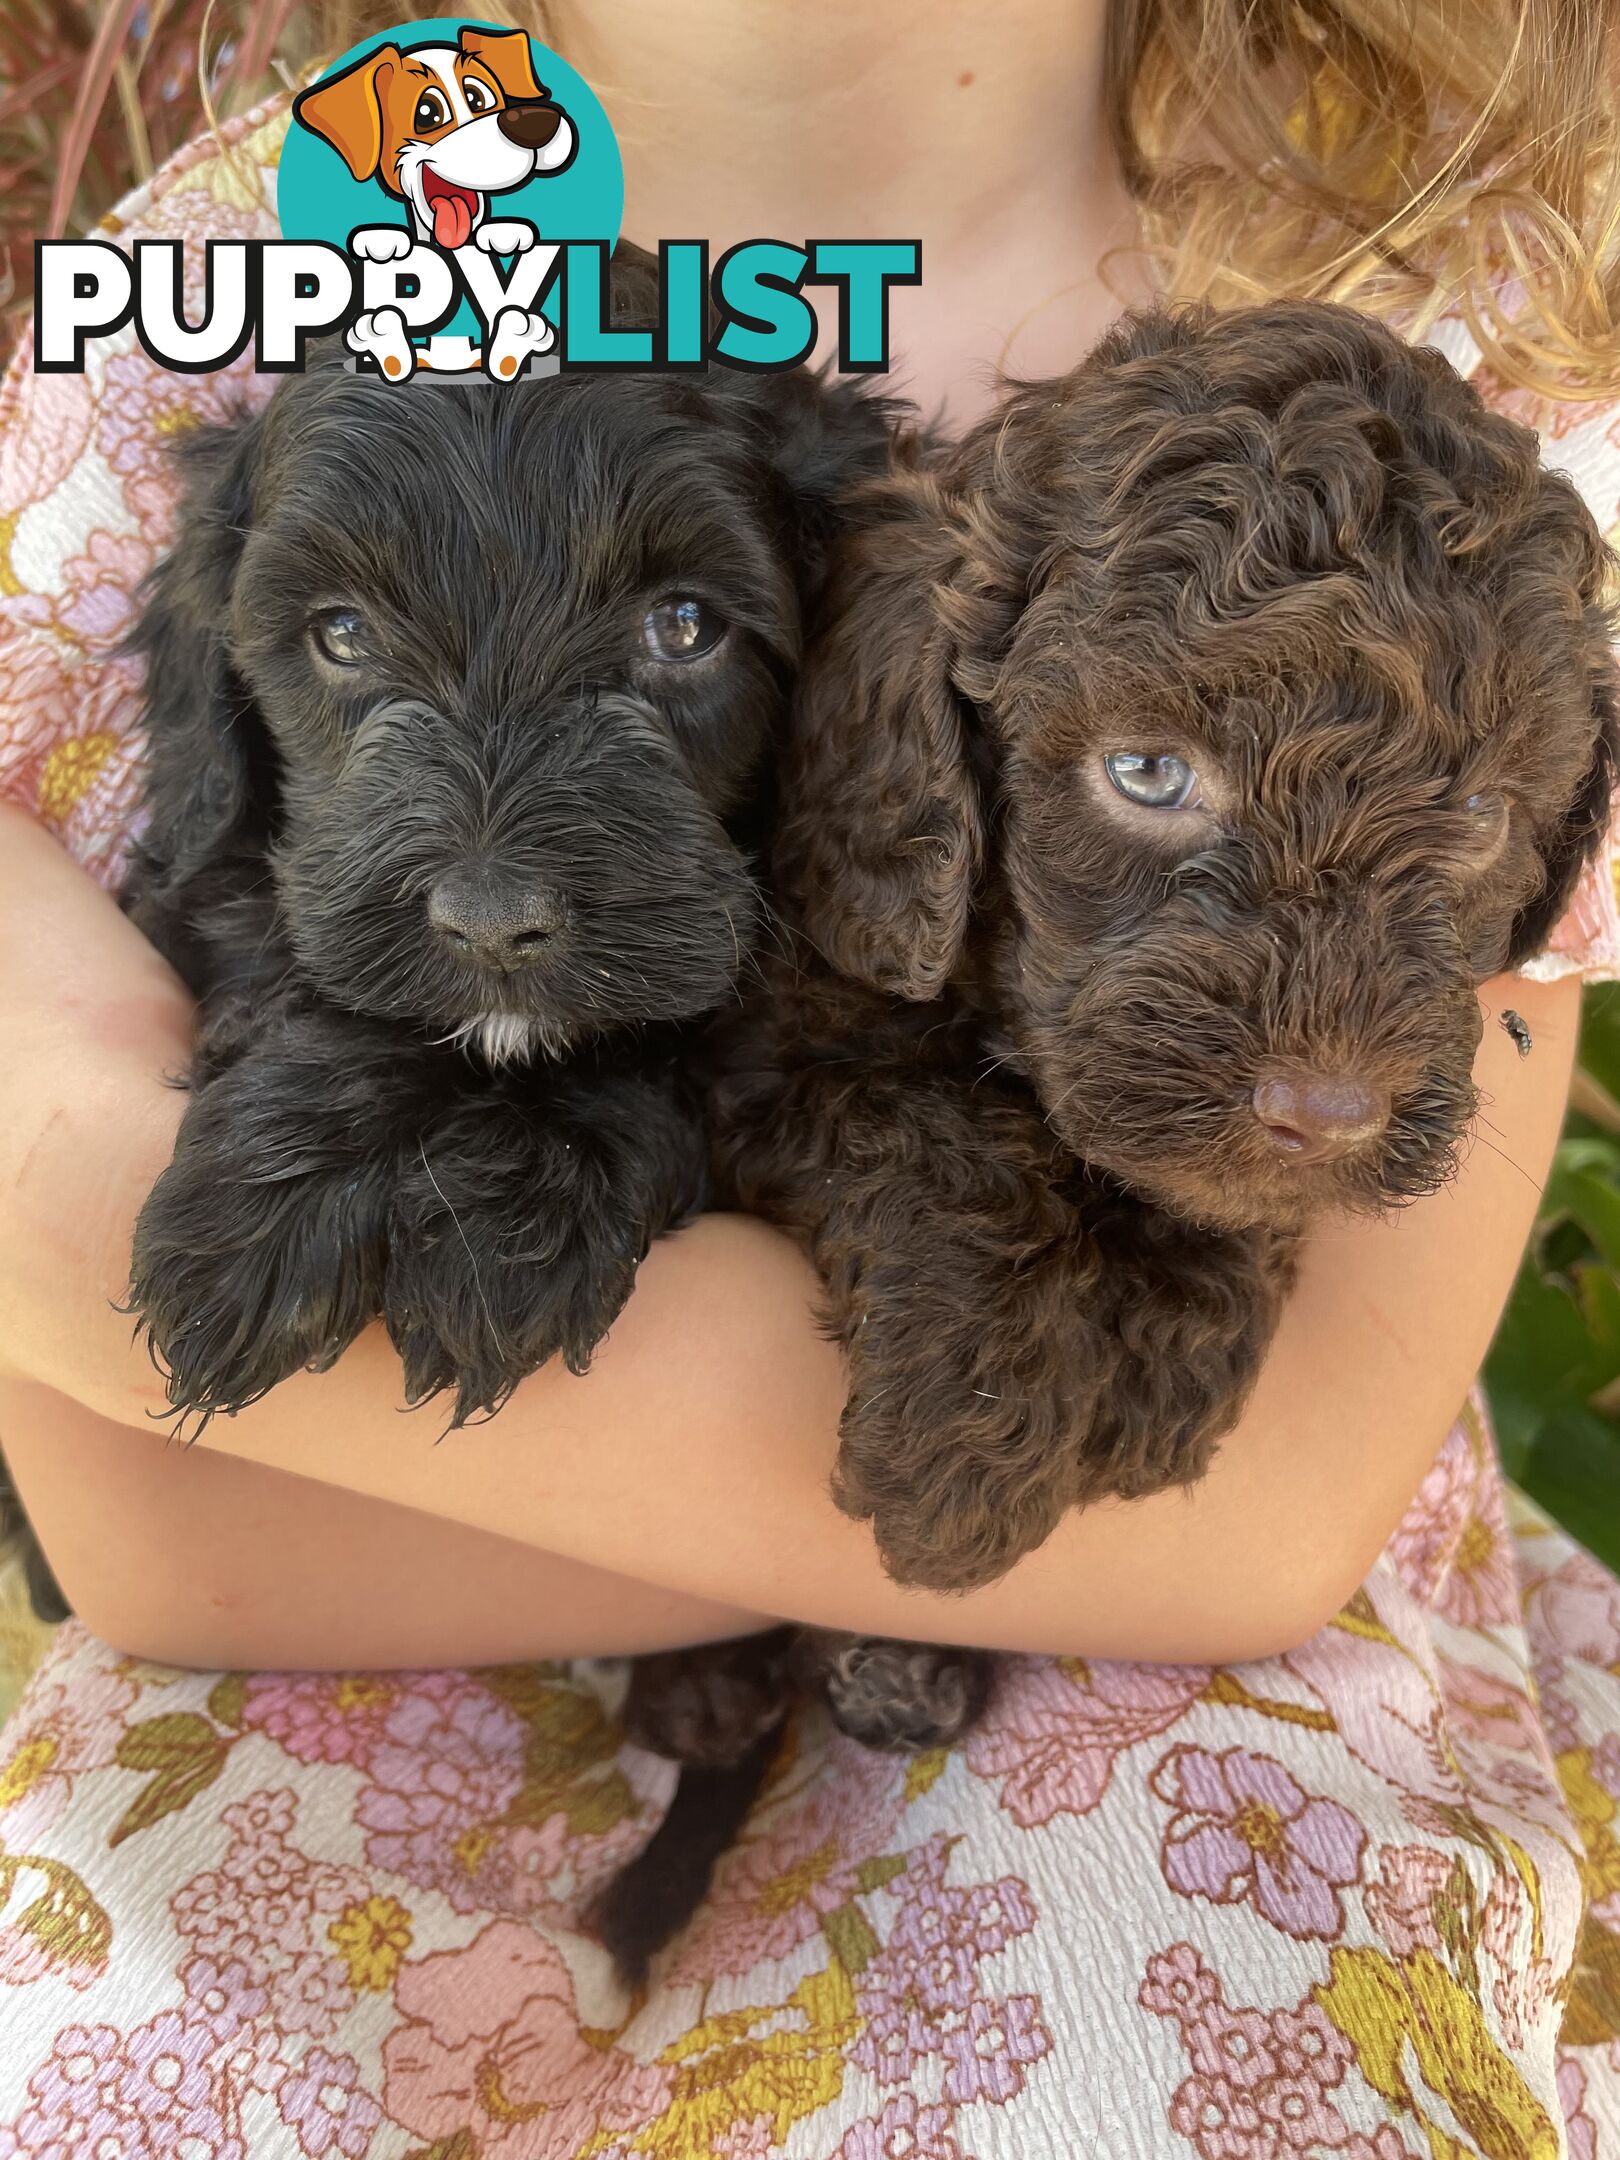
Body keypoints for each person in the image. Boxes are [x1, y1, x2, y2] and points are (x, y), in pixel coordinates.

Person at [0, 5, 1615, 2154]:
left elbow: (1260, 1517)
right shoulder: (215, 299)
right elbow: (163, 1540)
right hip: (310, 1766)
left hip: (1192, 1751)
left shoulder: (1475, 351)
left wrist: (144, 1262)